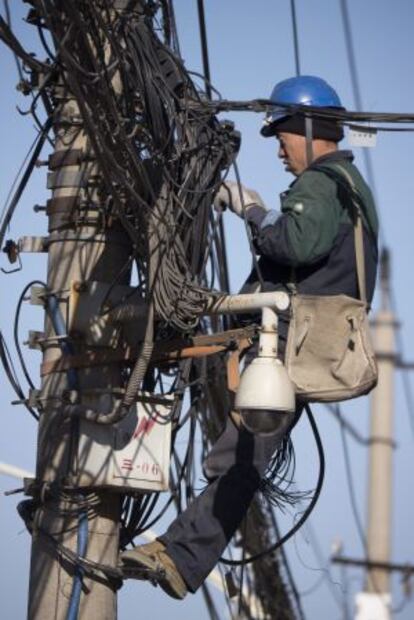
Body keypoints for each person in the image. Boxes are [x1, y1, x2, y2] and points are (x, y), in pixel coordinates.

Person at [120, 75, 379, 599]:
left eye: (281, 135)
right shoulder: (353, 191)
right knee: (236, 444)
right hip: (302, 343)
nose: (280, 151)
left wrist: (254, 210)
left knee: (239, 452)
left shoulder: (324, 183)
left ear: (306, 128)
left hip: (282, 344)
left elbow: (295, 244)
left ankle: (174, 554)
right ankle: (173, 549)